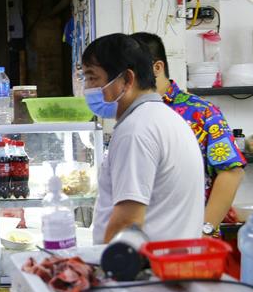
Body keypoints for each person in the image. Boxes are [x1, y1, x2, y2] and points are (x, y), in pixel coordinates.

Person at [82, 34, 205, 244]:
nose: (87, 89)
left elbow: (127, 222)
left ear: (127, 80)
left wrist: (102, 270)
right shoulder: (165, 118)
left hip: (142, 271)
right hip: (168, 264)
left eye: (93, 78)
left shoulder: (135, 130)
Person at [130, 32, 246, 236]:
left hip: (191, 237)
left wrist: (205, 230)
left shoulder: (200, 112)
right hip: (146, 235)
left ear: (157, 68)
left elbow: (231, 172)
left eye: (131, 71)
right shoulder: (134, 113)